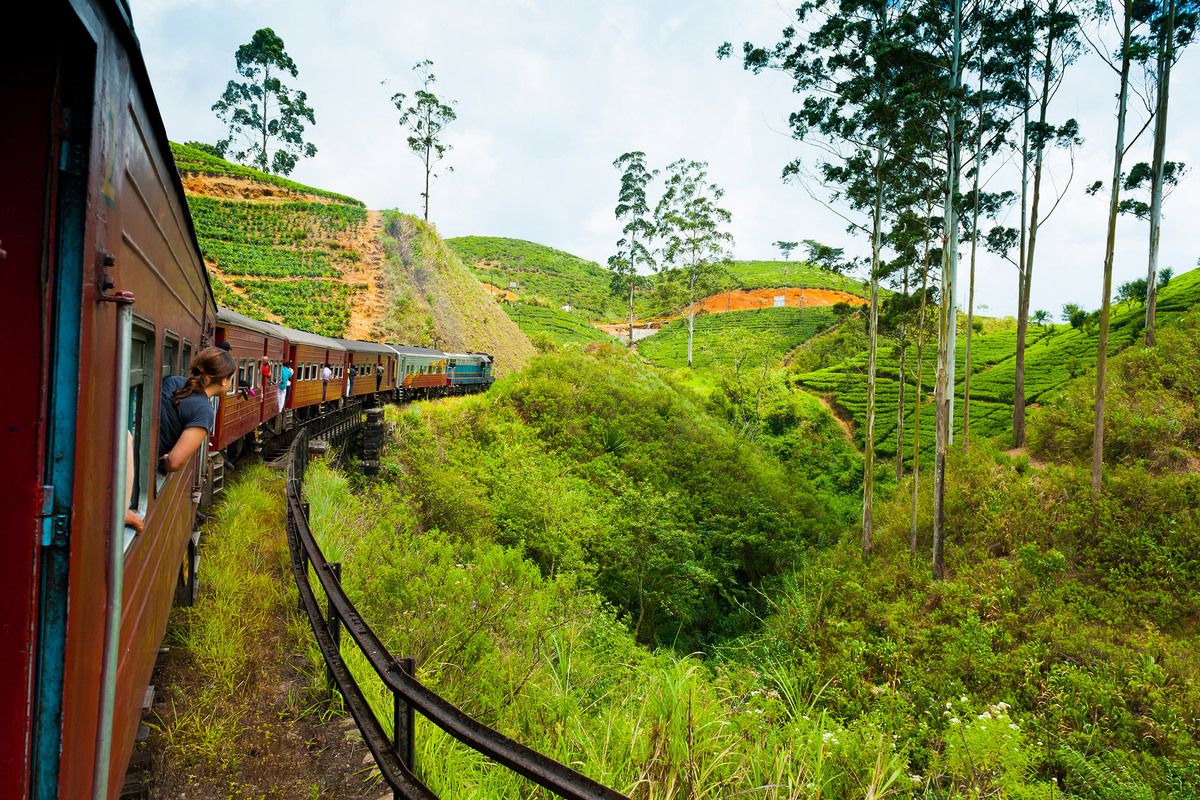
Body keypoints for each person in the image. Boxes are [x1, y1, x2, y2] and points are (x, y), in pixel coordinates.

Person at [159, 346, 236, 474]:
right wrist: (164, 463)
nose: (230, 383)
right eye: (231, 378)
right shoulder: (204, 411)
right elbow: (174, 462)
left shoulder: (173, 381)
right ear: (223, 381)